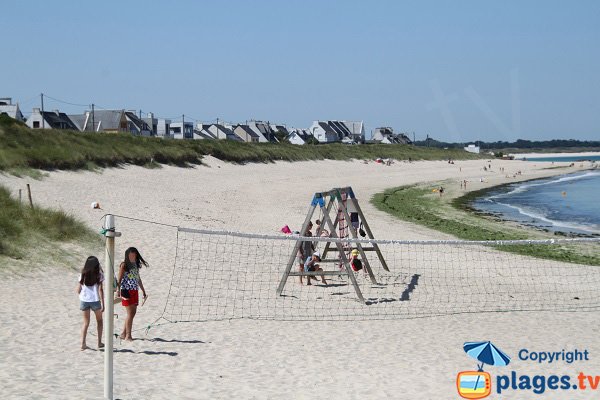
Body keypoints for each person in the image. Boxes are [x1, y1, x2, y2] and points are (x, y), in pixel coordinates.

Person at [117, 247, 148, 341]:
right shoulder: (124, 265)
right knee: (130, 313)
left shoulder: (135, 265)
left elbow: (138, 279)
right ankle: (128, 336)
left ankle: (123, 334)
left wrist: (143, 291)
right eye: (131, 255)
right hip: (126, 290)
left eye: (134, 255)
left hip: (134, 290)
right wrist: (118, 291)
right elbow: (119, 279)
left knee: (132, 313)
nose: (133, 257)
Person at [76, 256, 104, 351]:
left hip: (84, 300)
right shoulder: (99, 274)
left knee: (86, 323)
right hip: (95, 300)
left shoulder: (83, 273)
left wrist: (82, 294)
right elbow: (100, 290)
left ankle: (83, 343)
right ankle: (99, 342)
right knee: (99, 321)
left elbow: (78, 290)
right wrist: (103, 304)